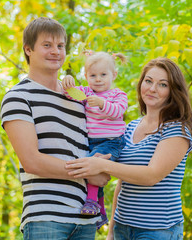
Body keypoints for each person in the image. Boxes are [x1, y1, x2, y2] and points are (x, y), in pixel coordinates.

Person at [0, 17, 110, 240]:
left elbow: (100, 137)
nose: (56, 51)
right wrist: (89, 173)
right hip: (46, 218)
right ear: (28, 49)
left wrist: (106, 164)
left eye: (60, 46)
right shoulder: (18, 97)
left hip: (86, 219)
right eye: (47, 45)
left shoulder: (78, 98)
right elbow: (32, 160)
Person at [65, 57, 192, 239]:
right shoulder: (129, 127)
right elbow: (122, 180)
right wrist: (111, 230)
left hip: (157, 230)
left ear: (173, 91)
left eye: (162, 84)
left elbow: (151, 176)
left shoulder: (176, 130)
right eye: (148, 81)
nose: (152, 88)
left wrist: (102, 165)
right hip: (123, 227)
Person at [62, 51, 128, 229]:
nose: (98, 79)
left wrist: (100, 103)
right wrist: (68, 82)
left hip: (112, 141)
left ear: (113, 75)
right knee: (93, 173)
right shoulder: (87, 92)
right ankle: (100, 213)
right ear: (86, 76)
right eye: (93, 75)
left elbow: (117, 112)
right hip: (90, 142)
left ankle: (91, 202)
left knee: (91, 167)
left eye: (103, 75)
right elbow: (71, 94)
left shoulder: (118, 95)